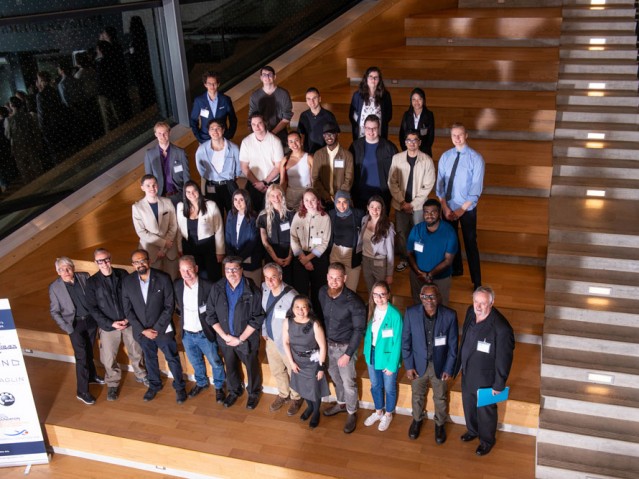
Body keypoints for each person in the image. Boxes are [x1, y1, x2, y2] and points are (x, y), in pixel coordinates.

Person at [454, 286, 515, 456]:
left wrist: (499, 384)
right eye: (476, 302)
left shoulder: (501, 329)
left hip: (487, 378)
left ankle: (487, 440)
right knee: (469, 404)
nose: (478, 307)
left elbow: (504, 359)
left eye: (483, 303)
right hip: (468, 371)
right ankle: (473, 431)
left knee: (486, 411)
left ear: (492, 303)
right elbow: (465, 340)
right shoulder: (469, 312)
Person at [121, 249, 186, 404]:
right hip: (142, 331)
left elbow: (169, 306)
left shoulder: (163, 278)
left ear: (149, 261)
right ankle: (154, 385)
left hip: (162, 330)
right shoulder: (127, 282)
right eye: (136, 262)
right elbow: (127, 310)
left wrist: (156, 328)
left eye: (143, 260)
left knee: (172, 358)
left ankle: (179, 387)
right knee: (150, 359)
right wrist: (143, 330)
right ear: (133, 265)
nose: (140, 264)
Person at [85, 248, 147, 401]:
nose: (104, 263)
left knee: (136, 350)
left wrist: (127, 318)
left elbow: (131, 297)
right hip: (108, 326)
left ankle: (141, 375)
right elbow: (93, 308)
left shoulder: (123, 274)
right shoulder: (91, 282)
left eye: (106, 259)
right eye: (100, 261)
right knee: (108, 357)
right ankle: (112, 383)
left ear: (110, 259)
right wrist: (111, 323)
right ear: (96, 263)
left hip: (128, 322)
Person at [206, 256, 264, 409]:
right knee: (230, 366)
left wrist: (240, 339)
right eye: (227, 270)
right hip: (225, 339)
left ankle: (253, 393)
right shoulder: (217, 288)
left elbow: (257, 318)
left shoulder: (252, 290)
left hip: (246, 339)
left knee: (251, 367)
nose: (231, 273)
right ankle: (234, 390)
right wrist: (224, 336)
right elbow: (210, 315)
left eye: (234, 269)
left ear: (242, 270)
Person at [402, 284, 458, 444]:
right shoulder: (411, 313)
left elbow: (453, 347)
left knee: (440, 397)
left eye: (432, 296)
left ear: (438, 297)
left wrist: (449, 367)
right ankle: (417, 420)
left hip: (439, 366)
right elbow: (406, 342)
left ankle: (440, 424)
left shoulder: (449, 315)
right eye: (425, 296)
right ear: (420, 297)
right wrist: (409, 366)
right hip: (418, 365)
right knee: (417, 395)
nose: (429, 300)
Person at [436, 123, 485, 290]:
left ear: (466, 135)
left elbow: (476, 188)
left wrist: (462, 209)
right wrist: (444, 206)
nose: (457, 138)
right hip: (448, 206)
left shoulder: (476, 159)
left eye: (460, 135)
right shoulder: (445, 157)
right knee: (450, 240)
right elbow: (440, 184)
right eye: (454, 135)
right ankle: (456, 269)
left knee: (470, 243)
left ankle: (477, 282)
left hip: (467, 208)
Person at [319, 262, 366, 434]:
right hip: (328, 345)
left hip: (345, 348)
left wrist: (348, 354)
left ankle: (352, 412)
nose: (333, 281)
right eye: (331, 277)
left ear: (344, 279)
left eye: (337, 278)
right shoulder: (322, 292)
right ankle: (341, 404)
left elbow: (359, 329)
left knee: (348, 383)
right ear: (327, 277)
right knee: (336, 379)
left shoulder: (354, 302)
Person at [49, 257, 104, 405]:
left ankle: (92, 376)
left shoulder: (84, 276)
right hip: (74, 324)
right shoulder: (55, 287)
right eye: (62, 270)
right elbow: (54, 311)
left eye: (68, 268)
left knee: (90, 350)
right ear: (57, 271)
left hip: (90, 320)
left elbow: (95, 296)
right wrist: (67, 327)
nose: (66, 272)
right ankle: (82, 391)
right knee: (81, 357)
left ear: (73, 268)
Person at [174, 256, 227, 403]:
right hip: (187, 334)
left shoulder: (209, 286)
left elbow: (217, 310)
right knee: (195, 362)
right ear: (180, 271)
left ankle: (219, 386)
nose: (187, 273)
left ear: (196, 268)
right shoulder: (177, 286)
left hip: (205, 333)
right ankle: (201, 383)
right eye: (183, 270)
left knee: (215, 361)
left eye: (189, 269)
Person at [388, 130, 436, 273]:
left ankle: (419, 259)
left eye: (415, 140)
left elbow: (428, 185)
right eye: (409, 140)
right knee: (402, 234)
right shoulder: (397, 158)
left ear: (419, 142)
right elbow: (392, 182)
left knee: (419, 233)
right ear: (405, 142)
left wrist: (412, 204)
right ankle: (405, 259)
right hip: (400, 204)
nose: (412, 143)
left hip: (419, 206)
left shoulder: (427, 160)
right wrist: (403, 202)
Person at [261, 263, 303, 416]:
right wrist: (264, 331)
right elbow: (264, 313)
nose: (269, 281)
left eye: (273, 277)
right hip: (271, 339)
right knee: (277, 369)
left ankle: (296, 397)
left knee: (293, 371)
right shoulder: (265, 290)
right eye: (266, 278)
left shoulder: (291, 296)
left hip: (287, 342)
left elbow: (300, 319)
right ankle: (283, 394)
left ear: (280, 276)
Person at [283, 295, 330, 429]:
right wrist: (291, 363)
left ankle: (316, 412)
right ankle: (309, 407)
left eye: (304, 307)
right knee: (302, 388)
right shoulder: (287, 322)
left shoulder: (315, 324)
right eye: (297, 307)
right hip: (297, 361)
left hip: (312, 362)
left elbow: (322, 346)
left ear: (309, 308)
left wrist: (321, 367)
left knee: (314, 389)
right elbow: (285, 342)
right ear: (292, 308)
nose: (300, 310)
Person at [362, 281, 402, 432]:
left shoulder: (395, 315)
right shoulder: (372, 310)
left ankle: (388, 414)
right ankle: (378, 411)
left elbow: (397, 342)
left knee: (389, 388)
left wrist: (392, 365)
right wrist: (366, 354)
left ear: (388, 295)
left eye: (382, 294)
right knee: (375, 385)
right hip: (372, 355)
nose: (379, 298)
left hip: (387, 359)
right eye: (375, 294)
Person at [407, 199, 458, 305]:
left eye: (433, 212)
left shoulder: (449, 232)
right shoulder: (417, 229)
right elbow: (410, 253)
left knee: (441, 305)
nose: (429, 215)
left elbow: (448, 261)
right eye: (426, 212)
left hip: (440, 278)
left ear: (439, 213)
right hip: (417, 276)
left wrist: (430, 275)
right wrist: (419, 272)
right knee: (418, 304)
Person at [290, 188, 331, 316]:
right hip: (300, 257)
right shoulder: (298, 215)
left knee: (318, 293)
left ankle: (317, 321)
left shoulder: (325, 218)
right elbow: (293, 237)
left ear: (317, 201)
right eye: (306, 200)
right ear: (303, 201)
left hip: (318, 259)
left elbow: (324, 242)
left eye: (312, 200)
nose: (309, 203)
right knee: (300, 292)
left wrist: (308, 258)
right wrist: (303, 257)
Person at [132, 174, 178, 280]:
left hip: (169, 250)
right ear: (142, 187)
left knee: (172, 280)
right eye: (148, 185)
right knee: (154, 283)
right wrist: (163, 243)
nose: (152, 188)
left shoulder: (167, 202)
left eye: (154, 185)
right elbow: (141, 232)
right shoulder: (137, 207)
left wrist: (165, 247)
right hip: (150, 251)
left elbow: (173, 225)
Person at [176, 181, 224, 282]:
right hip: (189, 247)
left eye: (194, 191)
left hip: (208, 246)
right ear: (184, 193)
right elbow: (179, 230)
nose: (191, 194)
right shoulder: (180, 207)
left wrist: (220, 251)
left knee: (212, 275)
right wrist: (179, 248)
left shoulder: (211, 205)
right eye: (188, 192)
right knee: (196, 276)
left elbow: (219, 229)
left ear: (199, 191)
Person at [350, 114, 397, 211]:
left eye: (374, 128)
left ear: (379, 128)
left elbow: (396, 172)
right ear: (364, 128)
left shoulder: (389, 147)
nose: (371, 131)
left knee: (381, 225)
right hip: (360, 195)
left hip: (382, 195)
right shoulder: (355, 146)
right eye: (368, 128)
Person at [195, 119, 241, 217]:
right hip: (211, 186)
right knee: (215, 215)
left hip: (229, 185)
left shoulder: (233, 148)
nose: (215, 131)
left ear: (223, 130)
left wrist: (231, 178)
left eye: (218, 128)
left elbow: (238, 168)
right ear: (208, 131)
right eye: (212, 129)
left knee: (233, 214)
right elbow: (201, 169)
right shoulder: (202, 149)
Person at [239, 113, 284, 211]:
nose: (257, 127)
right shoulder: (246, 142)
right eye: (253, 124)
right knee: (252, 213)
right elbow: (244, 166)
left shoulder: (275, 141)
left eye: (259, 123)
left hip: (271, 183)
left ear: (265, 123)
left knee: (271, 213)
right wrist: (257, 183)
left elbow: (278, 166)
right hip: (253, 183)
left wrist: (264, 182)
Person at [144, 121, 191, 206]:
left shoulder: (180, 152)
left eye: (165, 133)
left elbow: (186, 176)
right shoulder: (149, 154)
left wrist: (187, 195)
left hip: (178, 194)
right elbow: (148, 179)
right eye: (159, 133)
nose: (162, 136)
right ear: (155, 134)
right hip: (159, 196)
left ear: (169, 133)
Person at [225, 189, 263, 286]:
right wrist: (231, 257)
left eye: (241, 200)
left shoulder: (254, 217)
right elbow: (228, 236)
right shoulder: (231, 214)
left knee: (251, 288)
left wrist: (238, 259)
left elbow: (252, 242)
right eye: (235, 199)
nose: (238, 203)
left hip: (249, 260)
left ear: (247, 200)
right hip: (233, 260)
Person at [258, 185, 295, 284]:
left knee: (289, 283)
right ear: (268, 197)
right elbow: (264, 241)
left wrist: (290, 256)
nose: (276, 198)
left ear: (282, 196)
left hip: (289, 254)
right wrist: (275, 258)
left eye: (278, 195)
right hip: (272, 254)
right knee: (272, 283)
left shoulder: (291, 213)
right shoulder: (263, 216)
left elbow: (295, 237)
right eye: (272, 196)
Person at [248, 65, 293, 146]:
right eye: (264, 75)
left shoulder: (283, 94)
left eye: (270, 74)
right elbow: (252, 117)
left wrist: (272, 133)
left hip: (280, 135)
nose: (267, 77)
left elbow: (287, 117)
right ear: (261, 78)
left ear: (274, 77)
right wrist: (259, 134)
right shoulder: (255, 96)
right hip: (260, 136)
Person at [328, 190, 364, 292]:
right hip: (335, 252)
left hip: (351, 255)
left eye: (344, 202)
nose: (341, 205)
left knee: (351, 289)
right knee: (335, 287)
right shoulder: (331, 214)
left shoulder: (358, 214)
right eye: (338, 202)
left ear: (349, 201)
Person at [311, 122, 354, 209]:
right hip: (322, 199)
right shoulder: (318, 155)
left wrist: (338, 197)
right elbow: (315, 178)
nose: (329, 137)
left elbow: (349, 179)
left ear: (338, 134)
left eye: (331, 134)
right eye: (326, 134)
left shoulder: (347, 155)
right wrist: (326, 196)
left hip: (342, 201)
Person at [358, 196, 394, 293]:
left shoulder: (388, 226)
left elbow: (390, 252)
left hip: (380, 262)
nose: (375, 210)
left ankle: (384, 308)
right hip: (366, 261)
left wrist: (389, 274)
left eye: (378, 207)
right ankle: (372, 307)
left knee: (382, 291)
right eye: (372, 206)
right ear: (368, 207)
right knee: (371, 290)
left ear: (382, 209)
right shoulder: (364, 220)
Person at [4, 96, 44, 183]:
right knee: (37, 167)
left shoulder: (9, 120)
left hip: (18, 147)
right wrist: (38, 143)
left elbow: (7, 135)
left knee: (24, 171)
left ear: (11, 105)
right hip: (31, 144)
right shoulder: (28, 116)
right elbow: (35, 130)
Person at [190, 71, 237, 143]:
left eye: (214, 83)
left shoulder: (225, 99)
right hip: (205, 139)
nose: (212, 86)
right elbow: (193, 120)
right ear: (205, 84)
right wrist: (199, 138)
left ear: (218, 84)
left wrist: (229, 135)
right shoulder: (199, 101)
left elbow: (233, 119)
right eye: (209, 84)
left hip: (223, 138)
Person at [349, 66, 392, 141]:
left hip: (378, 132)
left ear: (379, 80)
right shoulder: (357, 95)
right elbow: (352, 115)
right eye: (371, 77)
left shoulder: (385, 95)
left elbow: (388, 115)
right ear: (366, 78)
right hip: (361, 132)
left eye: (376, 77)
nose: (373, 79)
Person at [297, 87, 337, 154]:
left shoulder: (329, 116)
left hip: (325, 153)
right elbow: (301, 135)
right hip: (308, 153)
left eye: (314, 98)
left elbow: (336, 135)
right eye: (308, 99)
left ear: (319, 99)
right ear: (306, 101)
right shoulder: (303, 116)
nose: (311, 101)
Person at [279, 131, 313, 209]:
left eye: (296, 140)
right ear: (288, 144)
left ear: (301, 141)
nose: (294, 144)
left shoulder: (309, 158)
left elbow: (314, 180)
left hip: (306, 194)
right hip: (290, 196)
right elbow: (282, 182)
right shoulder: (285, 160)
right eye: (291, 141)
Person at [399, 88, 436, 157]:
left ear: (423, 100)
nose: (416, 102)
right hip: (408, 151)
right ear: (411, 101)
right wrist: (407, 149)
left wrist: (420, 151)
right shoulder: (406, 115)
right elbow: (402, 134)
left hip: (424, 152)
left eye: (419, 99)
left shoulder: (429, 115)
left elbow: (430, 137)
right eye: (414, 99)